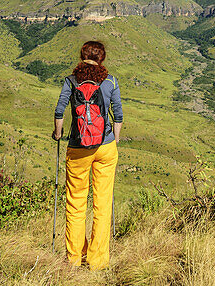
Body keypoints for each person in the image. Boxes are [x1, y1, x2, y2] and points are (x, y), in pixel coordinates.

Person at [52, 40, 123, 270]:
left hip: (78, 148)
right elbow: (118, 116)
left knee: (76, 203)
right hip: (106, 147)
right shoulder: (110, 81)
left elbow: (59, 110)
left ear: (82, 56)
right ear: (102, 58)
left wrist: (58, 133)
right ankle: (98, 261)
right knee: (102, 204)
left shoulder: (71, 81)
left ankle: (74, 259)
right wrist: (114, 141)